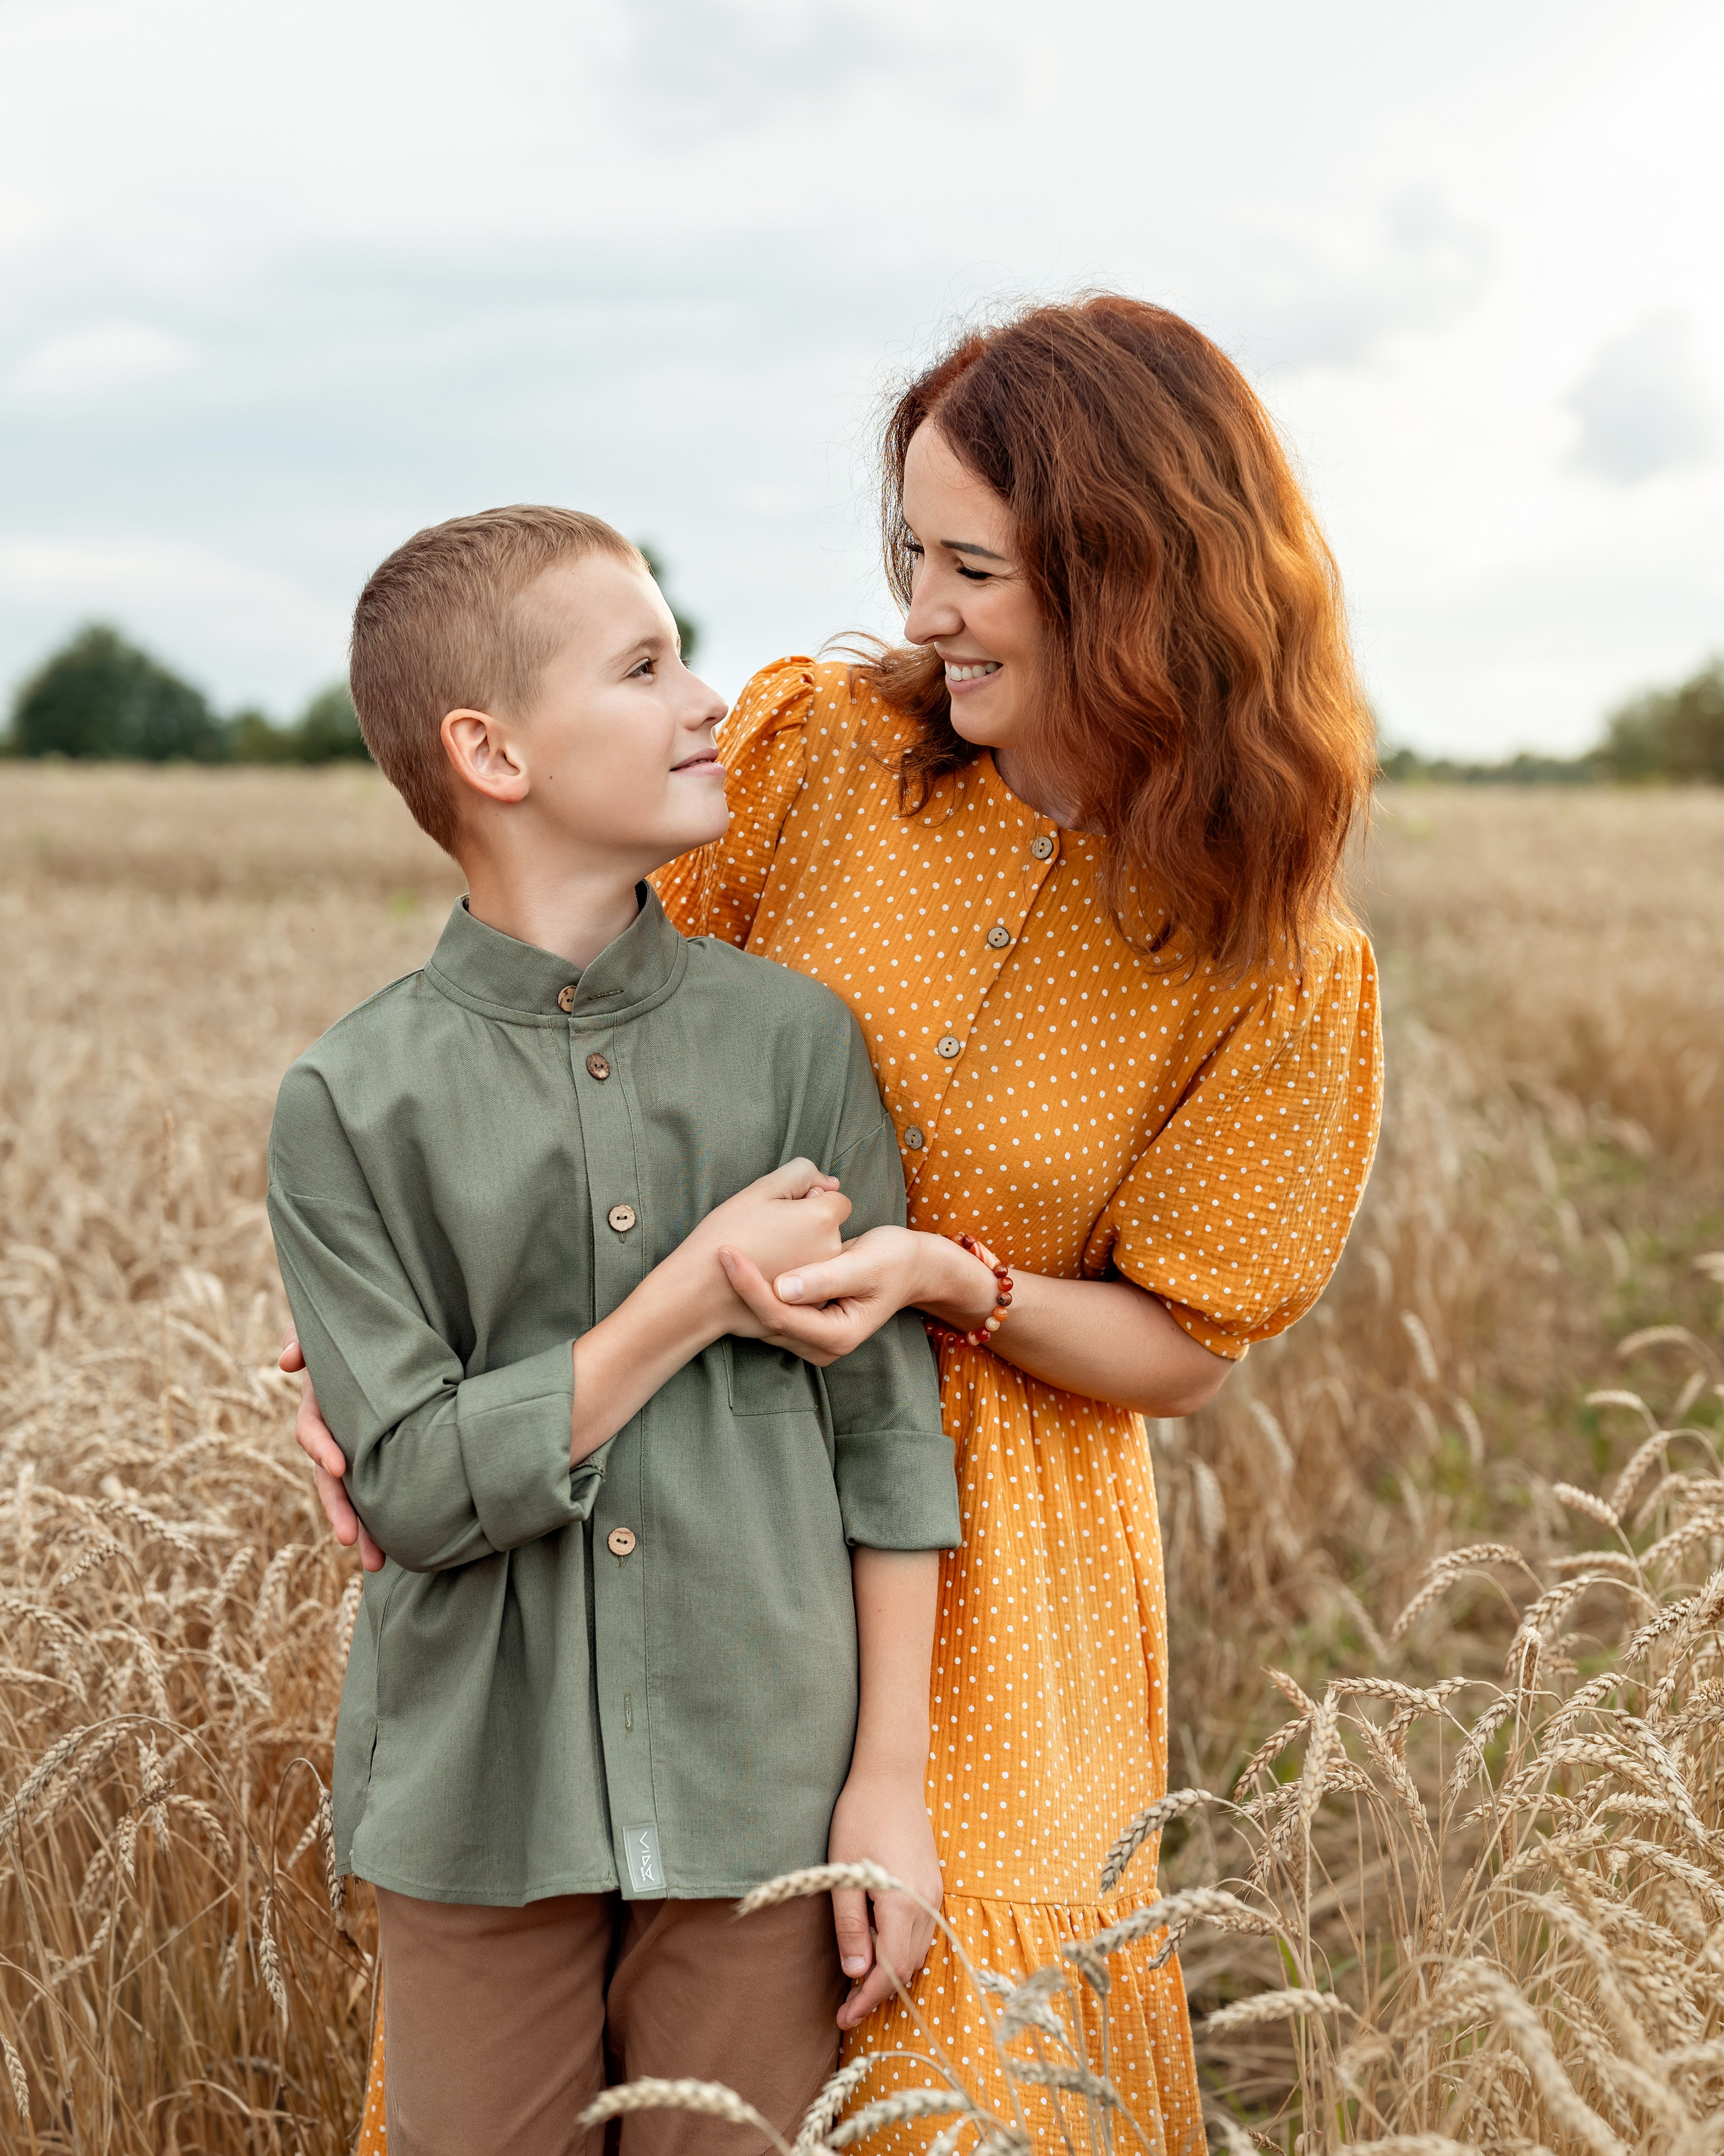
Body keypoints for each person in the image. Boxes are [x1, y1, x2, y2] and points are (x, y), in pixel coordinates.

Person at [298, 296, 1384, 2153]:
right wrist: (370, 1379)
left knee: (952, 2088)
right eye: (912, 550)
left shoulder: (1277, 962)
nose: (923, 605)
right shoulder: (812, 757)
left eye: (974, 566)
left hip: (995, 1571)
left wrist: (955, 1282)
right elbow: (560, 1052)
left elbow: (1188, 1346)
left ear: (1131, 586)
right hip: (682, 1478)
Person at [268, 504, 966, 2156]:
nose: (706, 698)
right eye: (646, 665)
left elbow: (884, 1434)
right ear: (489, 750)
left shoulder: (795, 1045)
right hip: (472, 1797)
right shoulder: (348, 1101)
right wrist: (687, 1299)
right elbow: (415, 1493)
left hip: (762, 1787)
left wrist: (886, 1783)